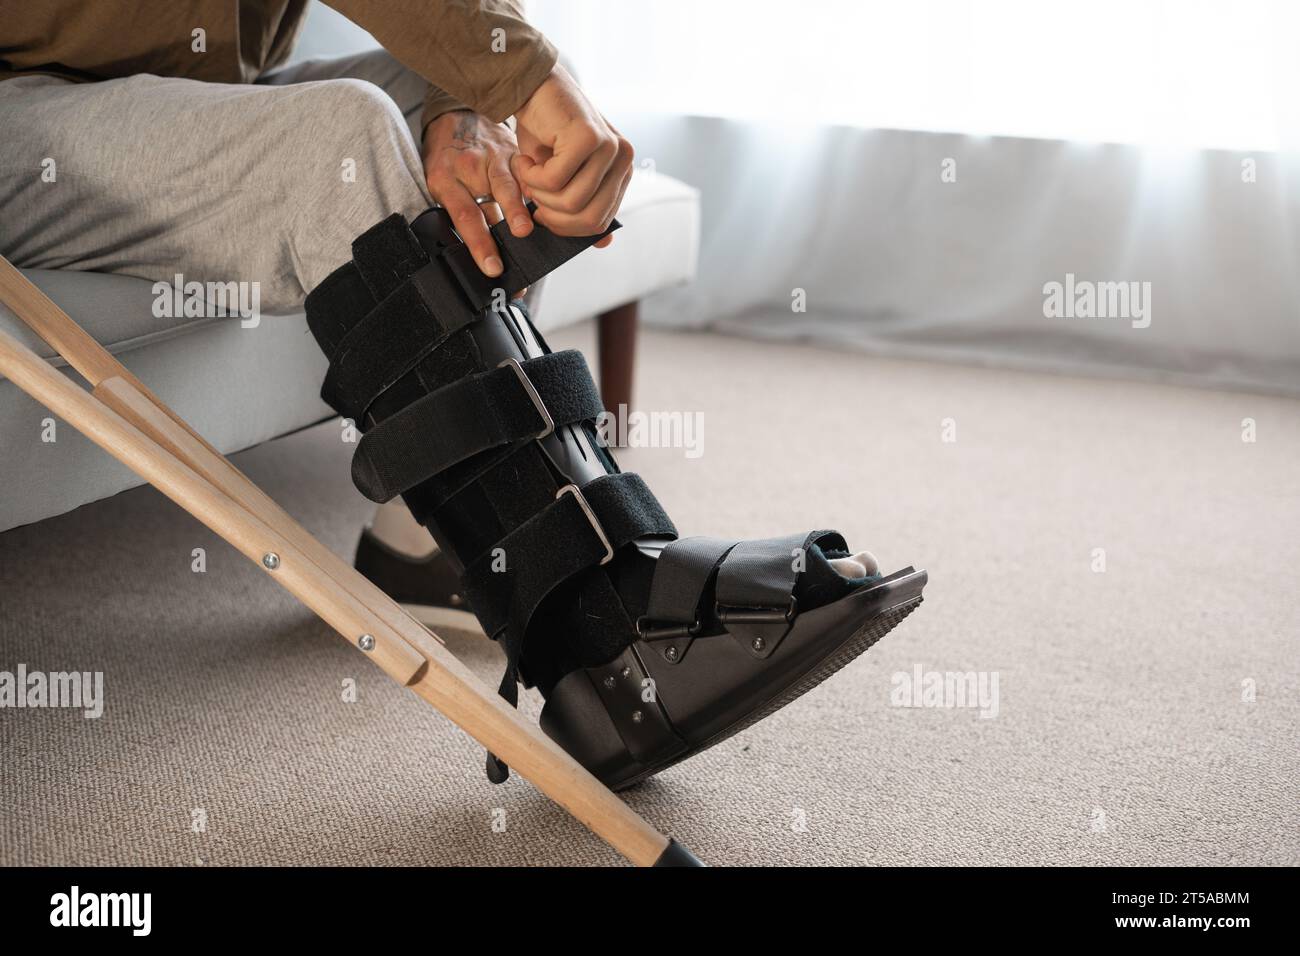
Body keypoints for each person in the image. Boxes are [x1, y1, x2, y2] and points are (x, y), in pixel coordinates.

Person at [0, 0, 926, 790]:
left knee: (461, 113)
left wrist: (466, 97)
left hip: (172, 87)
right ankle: (590, 636)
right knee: (346, 135)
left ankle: (438, 553)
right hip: (16, 113)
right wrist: (519, 73)